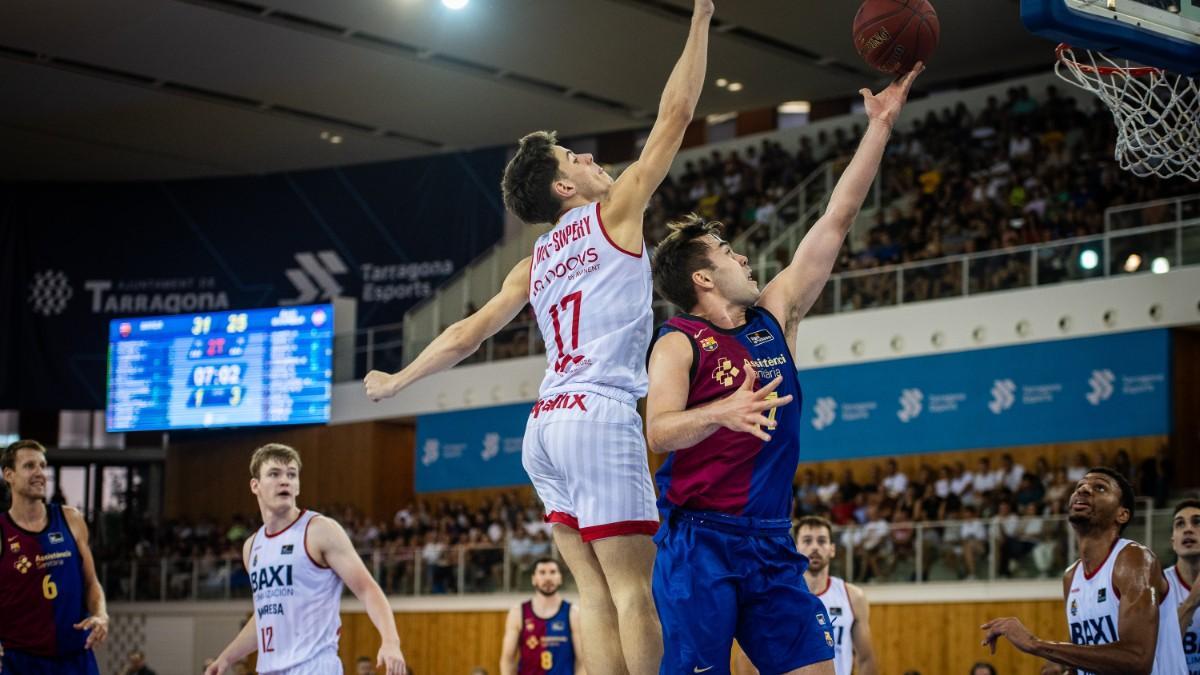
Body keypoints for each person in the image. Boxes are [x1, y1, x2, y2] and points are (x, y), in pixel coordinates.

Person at [363, 3, 716, 673]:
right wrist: (700, 19)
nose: (588, 155)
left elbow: (469, 332)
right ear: (563, 184)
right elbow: (674, 116)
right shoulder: (614, 214)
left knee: (597, 596)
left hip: (545, 427)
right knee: (637, 590)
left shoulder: (532, 262)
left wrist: (400, 379)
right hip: (599, 412)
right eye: (573, 155)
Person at [644, 64, 923, 674]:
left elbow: (836, 218)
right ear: (702, 278)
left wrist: (879, 127)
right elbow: (658, 433)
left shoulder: (777, 312)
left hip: (771, 538)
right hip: (699, 541)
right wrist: (723, 411)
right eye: (725, 252)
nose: (743, 255)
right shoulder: (678, 343)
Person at [204, 444, 406, 675]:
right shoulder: (252, 546)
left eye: (291, 474)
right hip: (270, 669)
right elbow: (266, 615)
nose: (285, 481)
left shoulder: (319, 530)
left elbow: (368, 589)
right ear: (255, 486)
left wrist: (391, 641)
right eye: (274, 474)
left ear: (298, 486)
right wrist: (226, 658)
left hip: (314, 666)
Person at [981, 468, 1188, 675]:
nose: (1084, 489)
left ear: (1122, 514)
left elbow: (1137, 660)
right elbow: (1085, 660)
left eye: (1099, 487)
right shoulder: (1072, 576)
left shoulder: (1134, 559)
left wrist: (1036, 644)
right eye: (1079, 486)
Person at [0, 439, 109, 674]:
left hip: (75, 658)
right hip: (20, 661)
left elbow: (91, 582)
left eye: (43, 465)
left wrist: (100, 614)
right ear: (9, 474)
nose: (40, 473)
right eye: (29, 466)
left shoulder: (71, 519)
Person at [734, 517, 878, 675]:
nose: (815, 547)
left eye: (822, 541)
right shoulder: (774, 594)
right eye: (807, 541)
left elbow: (866, 658)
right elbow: (746, 657)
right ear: (795, 547)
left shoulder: (853, 597)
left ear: (832, 549)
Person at [500, 558, 583, 675]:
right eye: (542, 572)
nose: (548, 577)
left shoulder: (573, 613)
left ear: (560, 578)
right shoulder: (518, 613)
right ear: (534, 579)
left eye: (553, 572)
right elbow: (507, 660)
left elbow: (582, 661)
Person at [1165, 498, 1200, 674]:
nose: (1188, 529)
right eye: (1180, 524)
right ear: (1173, 542)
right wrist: (1192, 601)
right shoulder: (1157, 585)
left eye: (1197, 522)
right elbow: (1158, 649)